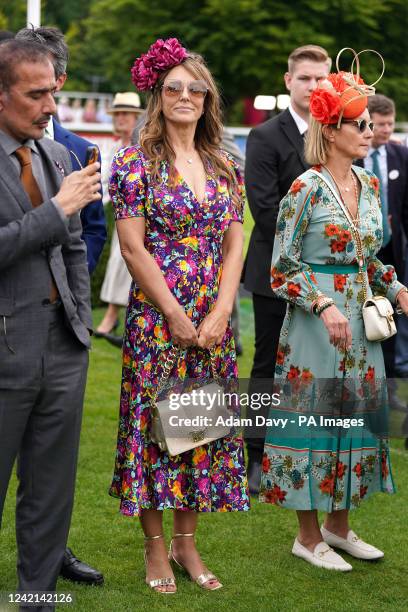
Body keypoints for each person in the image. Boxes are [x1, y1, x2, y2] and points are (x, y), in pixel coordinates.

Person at [109, 38, 249, 593]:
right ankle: (156, 551)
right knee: (152, 432)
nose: (185, 96)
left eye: (196, 89)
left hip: (214, 318)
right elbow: (132, 248)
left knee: (197, 430)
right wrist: (173, 312)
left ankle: (189, 547)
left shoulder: (223, 162)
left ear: (208, 99)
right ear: (158, 96)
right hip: (156, 318)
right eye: (174, 88)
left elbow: (236, 244)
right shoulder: (134, 162)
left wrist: (220, 310)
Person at [260, 54, 408, 570]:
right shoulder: (305, 188)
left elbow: (370, 256)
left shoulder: (367, 185)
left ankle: (339, 528)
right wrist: (322, 304)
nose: (370, 131)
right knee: (312, 421)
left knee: (358, 420)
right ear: (332, 129)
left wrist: (397, 286)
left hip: (362, 323)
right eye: (361, 123)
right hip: (314, 325)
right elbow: (282, 266)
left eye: (371, 123)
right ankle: (307, 537)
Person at [0, 40, 101, 606]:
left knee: (50, 494)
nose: (49, 108)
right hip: (4, 349)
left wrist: (79, 323)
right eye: (36, 94)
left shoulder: (58, 156)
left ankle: (37, 598)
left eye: (54, 94)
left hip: (64, 348)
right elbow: (48, 227)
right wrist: (55, 210)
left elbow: (74, 250)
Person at [244, 45, 331, 494]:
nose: (314, 87)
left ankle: (305, 445)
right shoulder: (265, 137)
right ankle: (255, 454)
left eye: (321, 79)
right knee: (267, 364)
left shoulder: (334, 130)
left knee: (312, 364)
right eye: (306, 79)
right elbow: (263, 209)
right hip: (273, 271)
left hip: (325, 276)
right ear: (288, 81)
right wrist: (323, 230)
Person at [16, 26, 107, 275]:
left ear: (60, 80)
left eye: (43, 74)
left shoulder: (83, 151)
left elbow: (93, 227)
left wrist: (72, 279)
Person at [356, 95, 408, 388]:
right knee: (364, 315)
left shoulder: (401, 156)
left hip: (392, 251)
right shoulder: (353, 156)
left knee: (390, 317)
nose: (387, 130)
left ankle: (389, 386)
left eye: (391, 123)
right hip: (357, 252)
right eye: (381, 124)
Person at [96, 92, 143, 338]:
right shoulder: (115, 148)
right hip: (119, 214)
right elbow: (103, 183)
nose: (121, 119)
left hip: (140, 217)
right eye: (117, 114)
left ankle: (113, 317)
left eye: (125, 114)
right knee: (118, 262)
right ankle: (114, 316)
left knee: (127, 263)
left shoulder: (142, 146)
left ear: (136, 117)